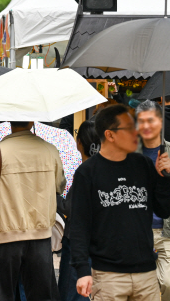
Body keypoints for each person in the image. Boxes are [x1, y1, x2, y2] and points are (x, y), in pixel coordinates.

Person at [70, 105, 170, 300]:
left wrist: (163, 177)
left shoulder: (143, 165)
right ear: (110, 135)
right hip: (108, 276)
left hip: (146, 274)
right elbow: (79, 226)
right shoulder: (87, 172)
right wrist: (83, 270)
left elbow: (164, 210)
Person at [0, 120, 65, 301]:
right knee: (43, 295)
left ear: (8, 122)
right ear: (31, 122)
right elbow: (59, 186)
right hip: (40, 235)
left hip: (5, 236)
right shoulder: (50, 150)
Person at [135, 101, 170, 301]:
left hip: (169, 229)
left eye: (151, 120)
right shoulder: (129, 154)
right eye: (141, 121)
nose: (146, 126)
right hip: (138, 230)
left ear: (161, 122)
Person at [57, 120, 99, 301]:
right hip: (99, 241)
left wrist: (53, 194)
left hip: (77, 241)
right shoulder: (105, 168)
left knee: (72, 292)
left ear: (79, 142)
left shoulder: (83, 171)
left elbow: (69, 208)